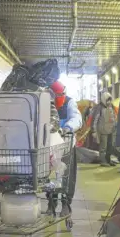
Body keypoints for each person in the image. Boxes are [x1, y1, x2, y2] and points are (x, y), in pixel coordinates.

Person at [47, 80, 82, 217]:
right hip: (50, 147)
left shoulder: (69, 103)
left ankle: (66, 203)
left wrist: (67, 128)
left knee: (66, 176)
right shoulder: (46, 104)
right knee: (49, 177)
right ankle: (52, 201)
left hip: (66, 144)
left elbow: (76, 118)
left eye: (61, 95)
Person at [91, 92, 117, 167]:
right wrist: (94, 131)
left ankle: (108, 160)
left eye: (110, 100)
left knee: (110, 146)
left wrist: (115, 126)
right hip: (103, 130)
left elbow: (114, 117)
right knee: (103, 147)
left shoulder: (111, 106)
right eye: (107, 100)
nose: (109, 102)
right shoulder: (99, 107)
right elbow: (95, 119)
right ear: (103, 99)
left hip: (111, 130)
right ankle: (103, 161)